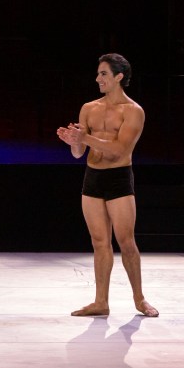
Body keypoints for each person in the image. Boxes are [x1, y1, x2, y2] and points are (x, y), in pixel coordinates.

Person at [56, 53, 158, 318]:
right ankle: (101, 301)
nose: (98, 78)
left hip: (118, 178)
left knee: (126, 242)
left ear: (119, 77)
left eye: (103, 74)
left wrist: (85, 137)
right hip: (93, 177)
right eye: (99, 73)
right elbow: (79, 153)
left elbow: (118, 149)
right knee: (100, 242)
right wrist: (74, 142)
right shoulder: (89, 107)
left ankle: (140, 299)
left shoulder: (134, 111)